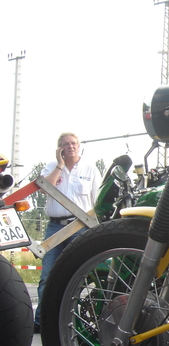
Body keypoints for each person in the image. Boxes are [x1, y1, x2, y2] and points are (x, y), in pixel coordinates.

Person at [33, 132, 100, 332]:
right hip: (55, 228)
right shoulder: (51, 167)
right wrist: (59, 165)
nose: (70, 147)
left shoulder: (90, 169)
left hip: (80, 228)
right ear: (59, 148)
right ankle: (41, 321)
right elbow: (44, 188)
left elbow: (97, 201)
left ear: (79, 146)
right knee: (47, 276)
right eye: (66, 144)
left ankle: (71, 322)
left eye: (73, 143)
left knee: (77, 276)